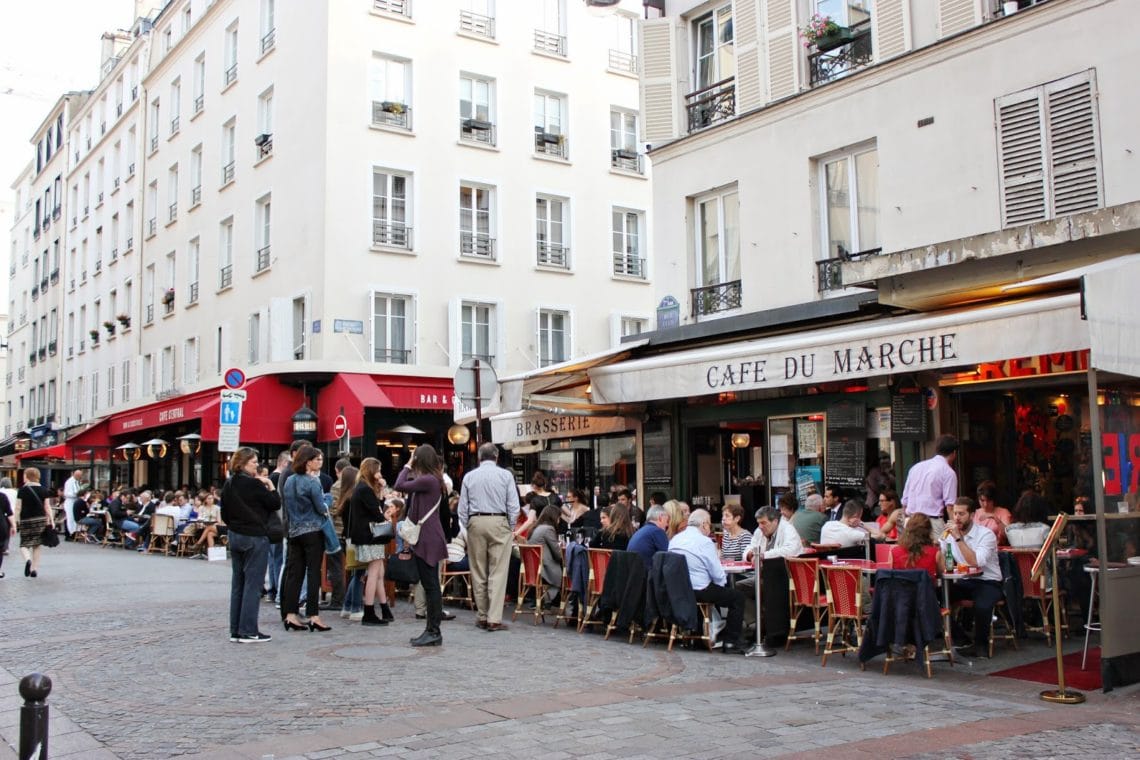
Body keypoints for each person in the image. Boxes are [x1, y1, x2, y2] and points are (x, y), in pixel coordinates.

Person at [458, 442, 521, 632]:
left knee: (478, 570)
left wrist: (468, 525)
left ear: (479, 458)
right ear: (496, 457)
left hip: (476, 521)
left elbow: (462, 508)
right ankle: (494, 617)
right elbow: (514, 505)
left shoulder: (469, 476)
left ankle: (482, 615)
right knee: (498, 571)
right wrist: (509, 526)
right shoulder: (505, 475)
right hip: (499, 520)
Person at [219, 447, 279, 643]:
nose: (257, 465)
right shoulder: (254, 484)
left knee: (238, 584)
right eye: (254, 462)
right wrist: (270, 484)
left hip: (235, 535)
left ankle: (235, 629)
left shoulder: (229, 484)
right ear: (243, 463)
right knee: (253, 585)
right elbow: (274, 503)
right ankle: (248, 630)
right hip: (254, 536)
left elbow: (224, 514)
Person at [669, 509, 748, 655]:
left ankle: (697, 637)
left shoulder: (675, 539)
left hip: (679, 590)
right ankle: (731, 641)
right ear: (704, 524)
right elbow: (718, 574)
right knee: (737, 597)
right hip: (700, 589)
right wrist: (722, 583)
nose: (709, 528)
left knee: (712, 592)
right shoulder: (705, 542)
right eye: (710, 525)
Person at [395, 444, 449, 647]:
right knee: (430, 584)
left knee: (431, 585)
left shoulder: (427, 480)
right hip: (429, 535)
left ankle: (434, 631)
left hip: (428, 537)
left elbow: (399, 485)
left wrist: (408, 465)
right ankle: (431, 630)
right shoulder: (432, 480)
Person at [941, 496, 1002, 658]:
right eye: (955, 514)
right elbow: (941, 557)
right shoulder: (950, 534)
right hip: (966, 580)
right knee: (932, 596)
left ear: (972, 515)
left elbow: (976, 561)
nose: (957, 518)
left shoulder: (986, 535)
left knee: (982, 606)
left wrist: (958, 539)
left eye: (961, 514)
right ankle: (960, 638)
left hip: (988, 581)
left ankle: (980, 645)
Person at [280, 446, 332, 633]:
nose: (320, 463)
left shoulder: (289, 481)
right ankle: (313, 615)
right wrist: (328, 500)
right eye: (317, 459)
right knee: (313, 573)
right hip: (312, 530)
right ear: (308, 461)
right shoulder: (312, 481)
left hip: (294, 531)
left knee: (294, 573)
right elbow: (320, 507)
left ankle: (290, 614)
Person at [348, 458, 395, 627]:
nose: (380, 474)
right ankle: (369, 611)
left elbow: (375, 508)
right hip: (370, 537)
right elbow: (377, 513)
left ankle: (383, 608)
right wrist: (385, 514)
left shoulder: (360, 488)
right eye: (378, 470)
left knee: (378, 572)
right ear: (372, 471)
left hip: (365, 536)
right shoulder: (365, 490)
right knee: (374, 574)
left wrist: (381, 492)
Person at [901, 434, 959, 537]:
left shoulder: (916, 467)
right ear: (954, 453)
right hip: (932, 522)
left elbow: (905, 501)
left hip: (911, 520)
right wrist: (955, 530)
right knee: (936, 552)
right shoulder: (948, 472)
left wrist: (905, 520)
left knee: (912, 552)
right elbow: (950, 507)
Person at [14, 468, 54, 578]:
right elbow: (47, 506)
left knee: (24, 544)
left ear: (27, 476)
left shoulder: (22, 490)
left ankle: (28, 560)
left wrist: (14, 521)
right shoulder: (43, 490)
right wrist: (51, 519)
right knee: (37, 545)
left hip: (26, 520)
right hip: (40, 520)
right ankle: (34, 569)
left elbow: (18, 507)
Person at [890, 513, 941, 587]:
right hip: (926, 596)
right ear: (929, 531)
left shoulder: (894, 552)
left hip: (901, 596)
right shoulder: (935, 553)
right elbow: (943, 573)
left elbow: (890, 576)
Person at [527, 504, 564, 607]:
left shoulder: (536, 528)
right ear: (554, 517)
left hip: (532, 569)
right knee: (568, 568)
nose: (559, 521)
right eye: (559, 518)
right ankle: (554, 601)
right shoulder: (548, 529)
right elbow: (558, 553)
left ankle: (545, 600)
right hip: (544, 570)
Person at [628, 504, 670, 570]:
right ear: (660, 517)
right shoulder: (657, 531)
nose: (667, 524)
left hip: (633, 573)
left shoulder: (641, 531)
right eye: (667, 521)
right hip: (646, 576)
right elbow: (668, 557)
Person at [974, 481, 1011, 545]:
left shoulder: (1003, 513)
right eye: (982, 500)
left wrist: (995, 518)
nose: (985, 504)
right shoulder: (974, 513)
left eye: (989, 501)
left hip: (998, 551)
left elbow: (1009, 535)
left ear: (993, 499)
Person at [864, 452, 896, 517]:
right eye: (882, 459)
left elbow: (895, 484)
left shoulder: (889, 471)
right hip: (874, 502)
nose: (884, 461)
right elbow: (876, 488)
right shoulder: (874, 472)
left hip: (888, 502)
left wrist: (889, 474)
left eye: (886, 459)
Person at [62, 469, 85, 537]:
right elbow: (66, 493)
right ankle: (70, 533)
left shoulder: (77, 482)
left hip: (75, 501)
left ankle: (74, 532)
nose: (80, 477)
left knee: (73, 517)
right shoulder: (69, 482)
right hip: (70, 501)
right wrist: (76, 495)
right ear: (75, 475)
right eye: (79, 476)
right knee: (70, 517)